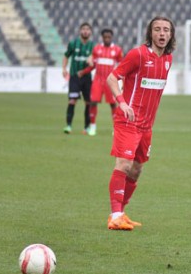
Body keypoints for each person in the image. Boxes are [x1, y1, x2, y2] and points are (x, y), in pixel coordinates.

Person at [105, 16, 175, 230]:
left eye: (166, 30)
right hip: (128, 121)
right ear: (150, 33)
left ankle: (122, 212)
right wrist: (122, 103)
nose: (162, 34)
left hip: (146, 127)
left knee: (136, 170)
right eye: (157, 30)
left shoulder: (168, 59)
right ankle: (114, 215)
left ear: (171, 34)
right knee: (124, 165)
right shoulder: (138, 54)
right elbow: (111, 78)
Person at [78, 28, 124, 136]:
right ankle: (93, 127)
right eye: (105, 37)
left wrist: (124, 81)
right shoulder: (97, 49)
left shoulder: (117, 50)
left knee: (113, 104)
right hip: (98, 81)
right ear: (102, 37)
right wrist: (83, 72)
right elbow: (93, 65)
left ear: (111, 37)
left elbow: (122, 67)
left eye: (109, 37)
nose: (107, 39)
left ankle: (115, 128)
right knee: (93, 102)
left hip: (110, 81)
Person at [62, 22, 94, 134]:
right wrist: (64, 69)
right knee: (72, 100)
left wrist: (91, 60)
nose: (85, 31)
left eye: (87, 29)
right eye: (83, 29)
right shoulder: (73, 43)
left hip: (87, 78)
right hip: (75, 77)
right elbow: (66, 56)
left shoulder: (93, 46)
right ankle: (68, 126)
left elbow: (94, 60)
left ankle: (86, 127)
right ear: (80, 31)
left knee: (88, 103)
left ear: (90, 32)